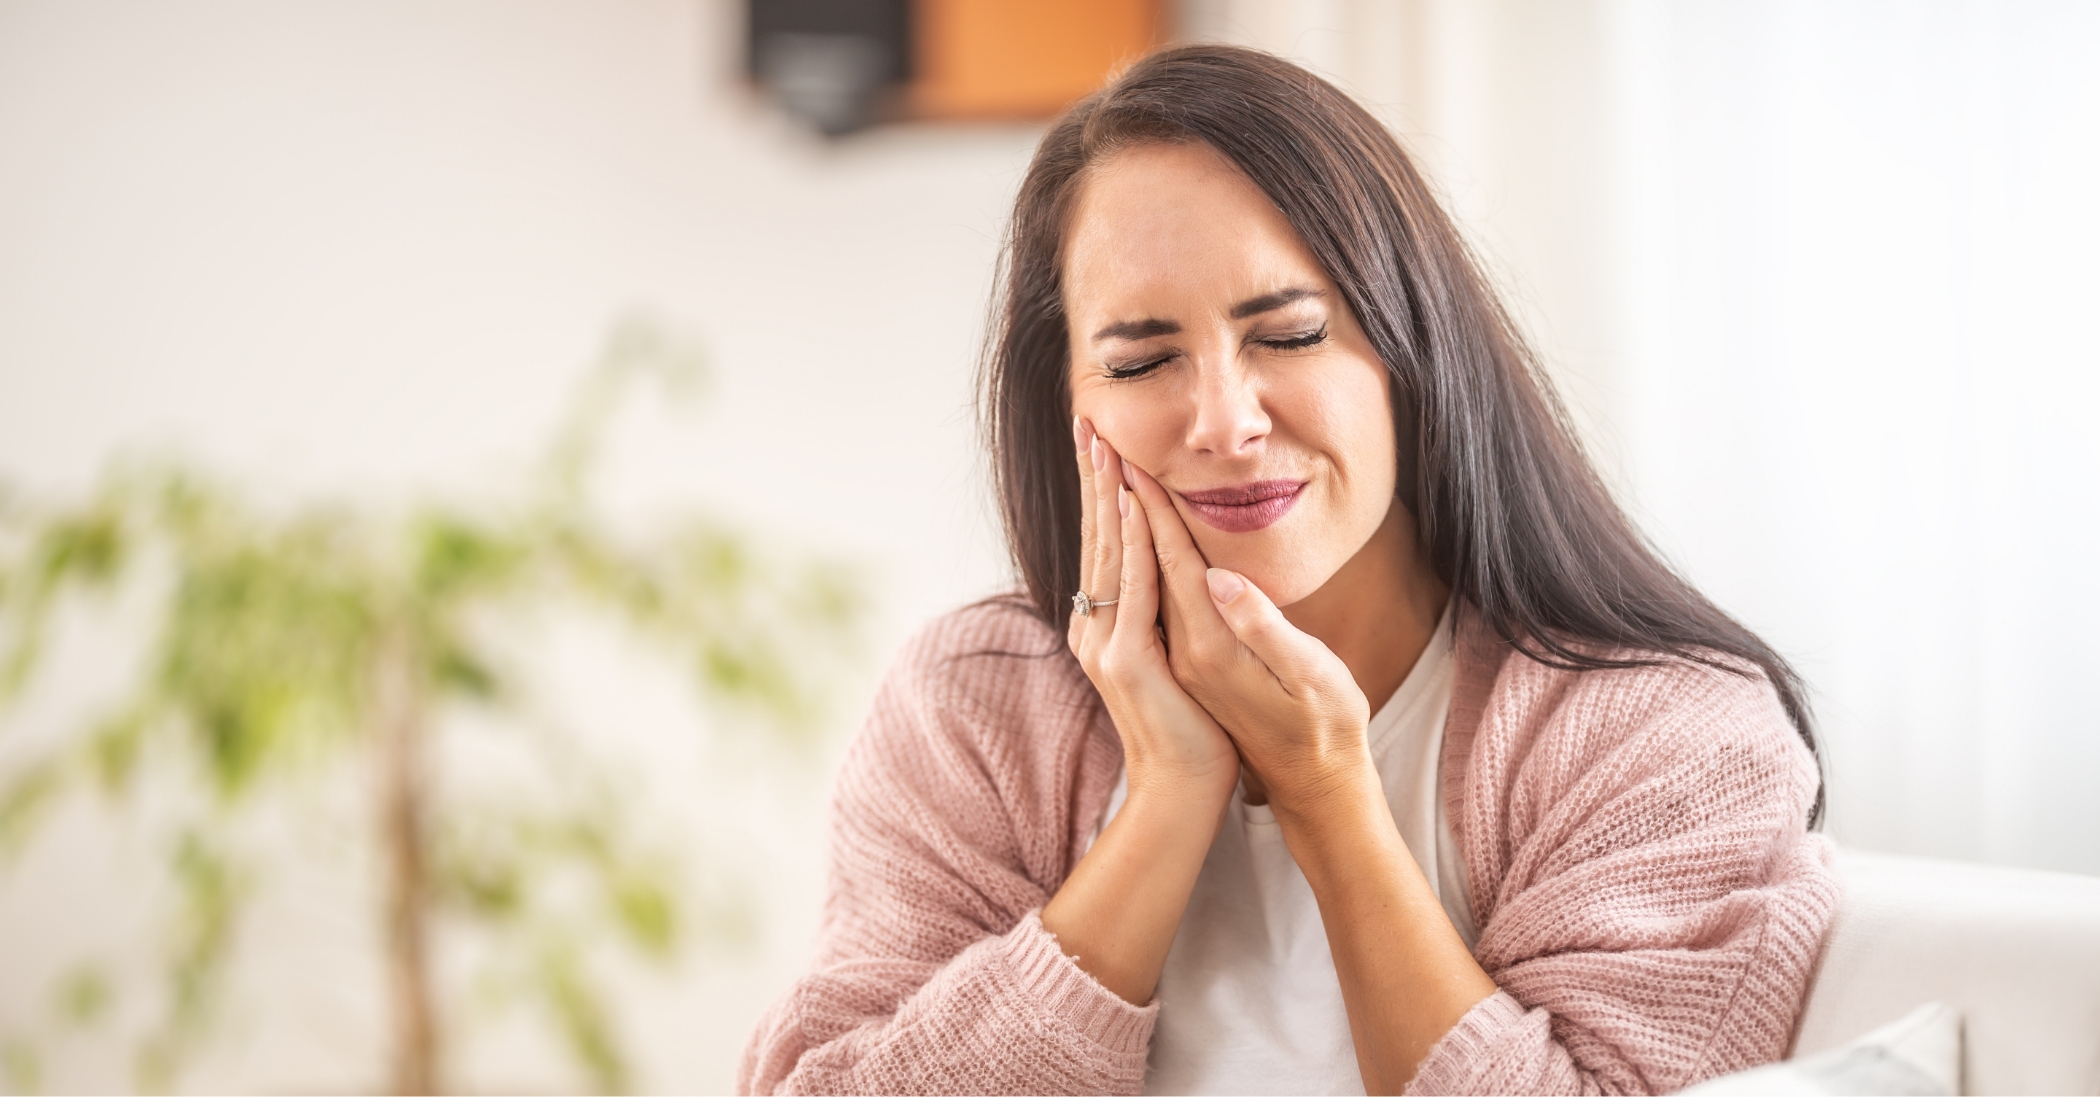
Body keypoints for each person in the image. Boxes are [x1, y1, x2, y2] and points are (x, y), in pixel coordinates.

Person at [739, 45, 1836, 1097]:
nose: (1224, 419)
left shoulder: (1663, 734)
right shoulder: (977, 706)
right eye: (1143, 359)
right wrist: (1164, 799)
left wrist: (1326, 794)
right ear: (1067, 403)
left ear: (1412, 349)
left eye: (1292, 335)